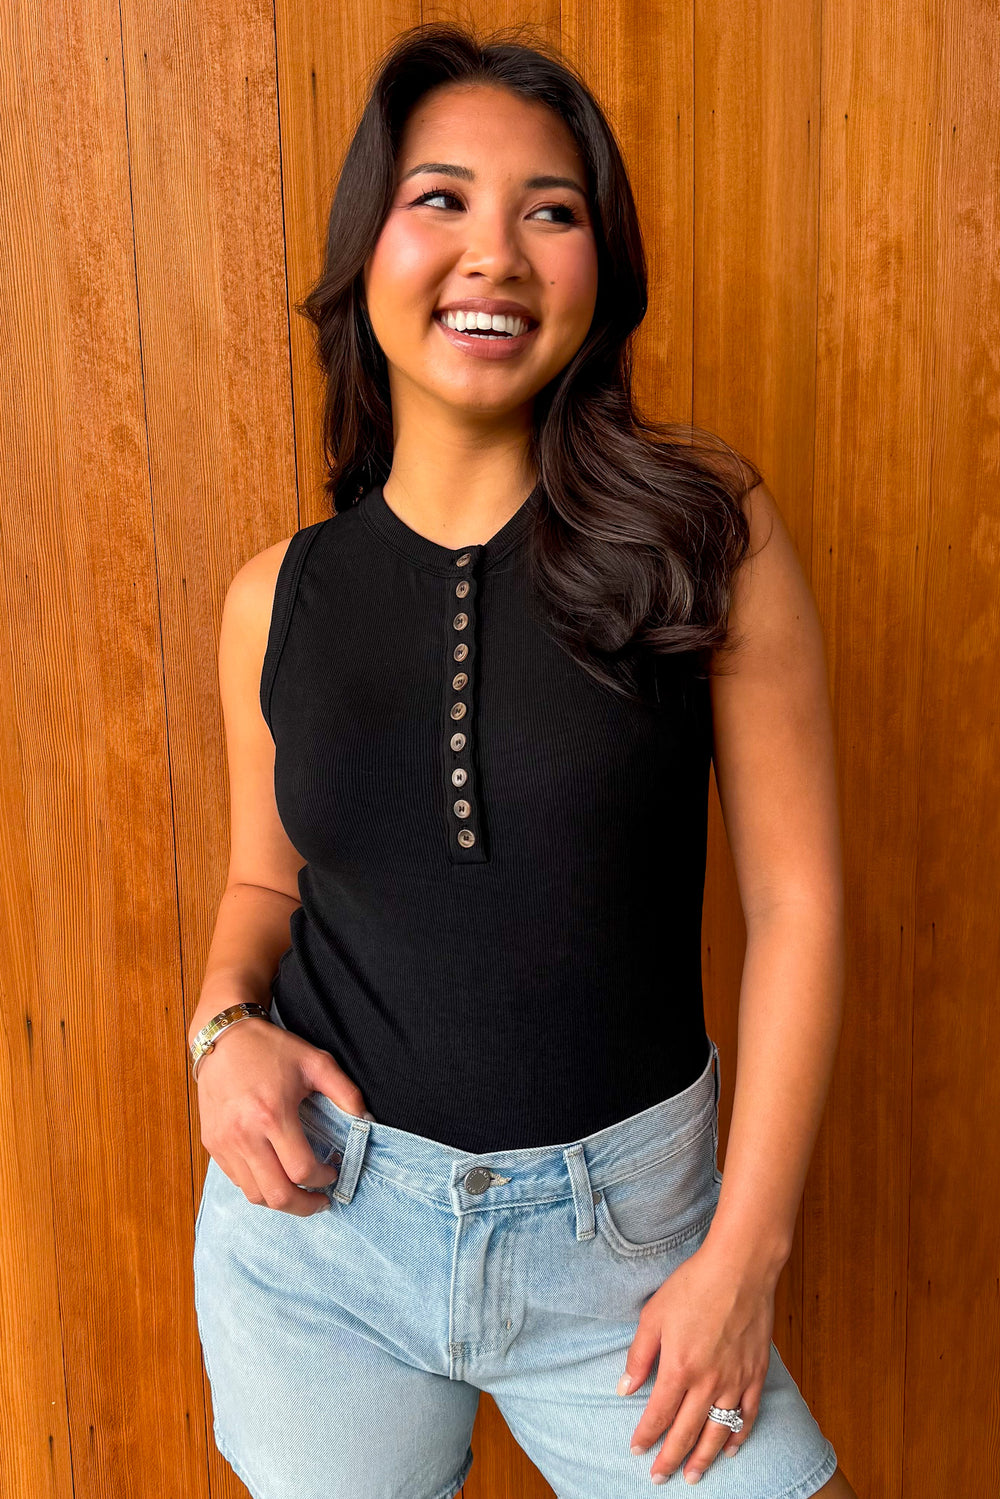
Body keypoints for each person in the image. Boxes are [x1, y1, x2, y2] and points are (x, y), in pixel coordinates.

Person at [189, 22, 858, 1499]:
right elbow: (263, 887)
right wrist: (219, 1028)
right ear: (367, 252)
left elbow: (799, 906)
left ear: (598, 269)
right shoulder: (274, 600)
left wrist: (744, 1256)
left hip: (629, 1256)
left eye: (548, 211)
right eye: (440, 199)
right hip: (319, 1240)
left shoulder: (705, 539)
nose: (492, 252)